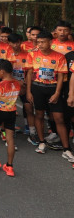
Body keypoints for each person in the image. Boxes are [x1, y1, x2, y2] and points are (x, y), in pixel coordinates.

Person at [25, 31, 72, 160]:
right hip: (37, 88)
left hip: (53, 89)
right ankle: (41, 142)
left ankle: (66, 149)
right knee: (39, 115)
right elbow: (29, 74)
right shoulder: (32, 55)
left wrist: (57, 93)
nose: (40, 44)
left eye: (43, 42)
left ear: (50, 42)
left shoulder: (59, 57)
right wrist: (28, 91)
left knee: (59, 118)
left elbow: (61, 76)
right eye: (38, 42)